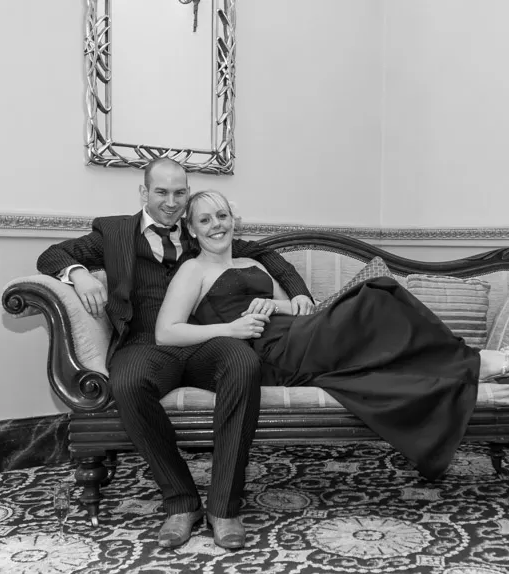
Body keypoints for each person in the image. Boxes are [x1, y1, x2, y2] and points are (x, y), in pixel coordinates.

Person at [155, 190, 509, 486]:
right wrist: (231, 328)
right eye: (205, 220)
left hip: (296, 331)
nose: (216, 225)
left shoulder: (253, 263)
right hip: (266, 353)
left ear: (233, 221)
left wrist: (272, 305)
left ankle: (466, 364)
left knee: (382, 298)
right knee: (378, 293)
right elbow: (165, 332)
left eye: (222, 216)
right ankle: (473, 362)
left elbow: (301, 309)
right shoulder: (193, 270)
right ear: (191, 229)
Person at [36, 159, 314, 550]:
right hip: (147, 343)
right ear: (144, 192)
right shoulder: (114, 232)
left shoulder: (199, 228)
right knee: (128, 382)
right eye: (161, 192)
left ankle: (224, 507)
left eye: (179, 193)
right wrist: (80, 274)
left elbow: (264, 254)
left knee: (243, 363)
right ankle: (181, 501)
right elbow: (51, 256)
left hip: (205, 339)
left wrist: (298, 291)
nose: (171, 202)